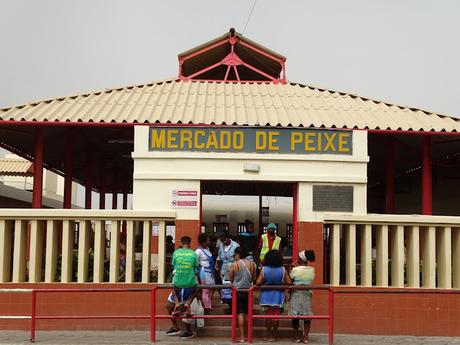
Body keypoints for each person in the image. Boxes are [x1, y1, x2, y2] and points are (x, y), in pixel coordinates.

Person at [256, 250, 292, 342]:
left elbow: (258, 282)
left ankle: (269, 335)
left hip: (266, 296)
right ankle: (275, 335)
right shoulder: (283, 269)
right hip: (278, 296)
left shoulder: (264, 269)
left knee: (268, 316)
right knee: (276, 316)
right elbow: (289, 282)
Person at [167, 236, 199, 339]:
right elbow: (196, 270)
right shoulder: (193, 254)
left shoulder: (176, 253)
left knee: (182, 307)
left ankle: (188, 331)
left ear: (181, 242)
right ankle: (176, 327)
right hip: (187, 283)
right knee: (169, 305)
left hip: (180, 283)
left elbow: (174, 268)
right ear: (190, 243)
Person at [229, 246, 256, 343]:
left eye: (235, 254)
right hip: (248, 291)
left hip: (238, 291)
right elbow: (254, 278)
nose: (234, 256)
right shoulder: (252, 264)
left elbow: (231, 278)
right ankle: (248, 336)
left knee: (240, 313)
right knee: (248, 314)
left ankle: (241, 337)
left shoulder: (234, 264)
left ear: (238, 254)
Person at [289, 250, 316, 344]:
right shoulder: (312, 270)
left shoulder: (295, 269)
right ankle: (306, 337)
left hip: (296, 294)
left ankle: (296, 337)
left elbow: (290, 281)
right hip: (307, 295)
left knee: (295, 316)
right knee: (307, 316)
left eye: (298, 257)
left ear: (301, 259)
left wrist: (291, 268)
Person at [215, 231, 240, 306]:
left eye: (224, 240)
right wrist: (216, 263)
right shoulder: (221, 245)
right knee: (225, 287)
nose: (223, 242)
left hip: (233, 269)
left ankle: (234, 304)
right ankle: (228, 303)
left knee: (232, 287)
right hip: (224, 270)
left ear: (228, 238)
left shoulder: (235, 246)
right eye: (222, 241)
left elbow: (238, 259)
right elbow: (219, 256)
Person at [196, 233, 215, 312]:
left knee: (211, 289)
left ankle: (209, 304)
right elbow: (195, 263)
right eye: (208, 240)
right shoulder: (198, 251)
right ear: (203, 242)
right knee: (205, 290)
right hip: (203, 272)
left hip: (210, 272)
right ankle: (206, 307)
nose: (209, 242)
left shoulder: (208, 249)